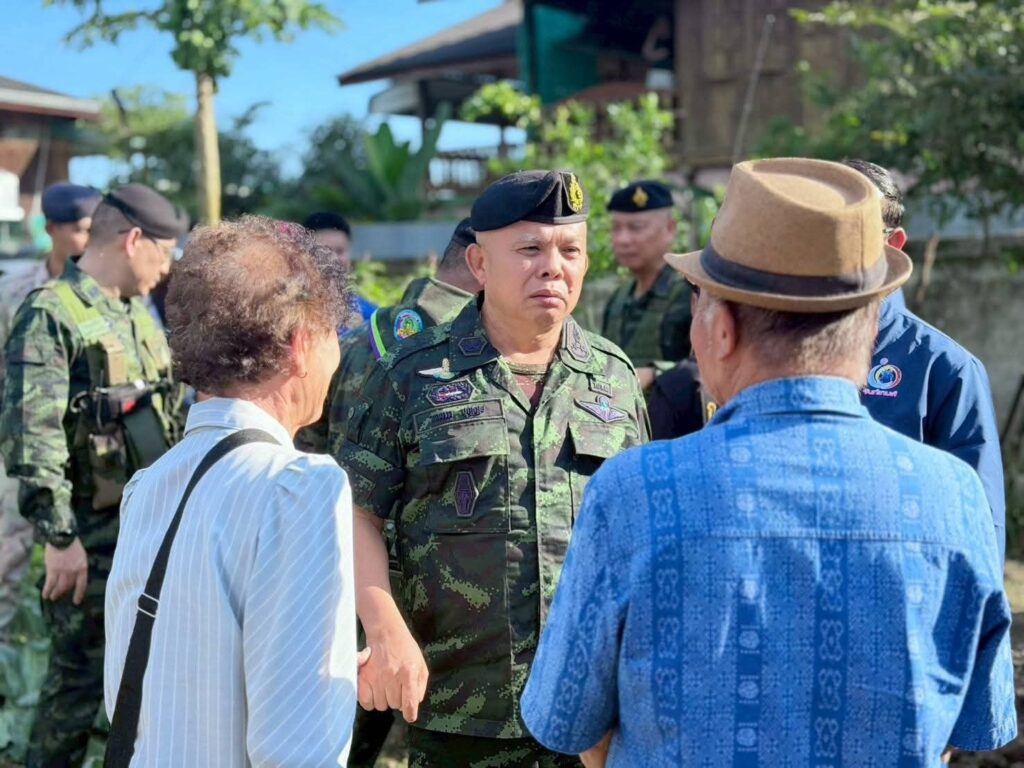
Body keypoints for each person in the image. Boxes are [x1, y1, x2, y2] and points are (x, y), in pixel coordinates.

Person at [522, 158, 1016, 766]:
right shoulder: (954, 496)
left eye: (700, 302)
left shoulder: (632, 492)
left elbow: (568, 721)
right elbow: (972, 722)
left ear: (722, 330)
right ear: (868, 326)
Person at [337, 170, 649, 767]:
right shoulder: (412, 373)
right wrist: (384, 630)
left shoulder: (613, 376)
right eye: (530, 249)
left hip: (587, 712)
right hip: (459, 708)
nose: (552, 268)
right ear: (479, 263)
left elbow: (639, 531)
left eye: (570, 251)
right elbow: (354, 514)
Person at [105, 216, 359, 767]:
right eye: (333, 335)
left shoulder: (148, 486)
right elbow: (298, 748)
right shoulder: (298, 487)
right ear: (299, 346)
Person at [0, 183, 187, 767]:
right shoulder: (51, 313)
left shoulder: (136, 313)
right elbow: (32, 433)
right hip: (88, 539)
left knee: (144, 692)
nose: (167, 268)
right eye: (163, 253)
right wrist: (60, 539)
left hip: (147, 532)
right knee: (75, 692)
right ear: (133, 241)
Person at [302, 217, 480, 765]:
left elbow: (309, 446)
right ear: (480, 261)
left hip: (344, 569)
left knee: (335, 738)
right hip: (426, 588)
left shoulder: (361, 336)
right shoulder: (455, 346)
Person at [845, 159, 1007, 562]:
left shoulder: (945, 369)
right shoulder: (774, 350)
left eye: (852, 231)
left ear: (894, 244)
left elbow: (978, 529)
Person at [0, 182, 101, 639]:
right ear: (51, 229)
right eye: (79, 229)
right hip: (24, 443)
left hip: (88, 450)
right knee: (10, 550)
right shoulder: (14, 291)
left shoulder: (107, 291)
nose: (87, 239)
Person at [601, 180, 692, 391]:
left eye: (636, 228)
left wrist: (654, 374)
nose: (622, 239)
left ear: (670, 228)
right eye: (616, 228)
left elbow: (710, 369)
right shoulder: (618, 299)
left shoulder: (691, 294)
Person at [303, 210, 376, 329]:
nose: (333, 258)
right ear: (303, 255)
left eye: (340, 251)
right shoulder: (288, 313)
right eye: (325, 251)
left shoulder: (372, 316)